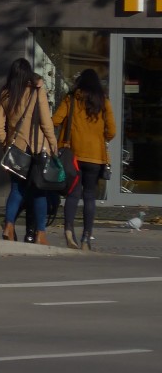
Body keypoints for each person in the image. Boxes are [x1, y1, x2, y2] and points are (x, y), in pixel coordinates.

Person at [0, 57, 58, 245]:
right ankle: (41, 234)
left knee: (16, 190)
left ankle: (9, 225)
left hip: (17, 150)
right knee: (39, 192)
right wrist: (53, 145)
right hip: (37, 149)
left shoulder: (5, 94)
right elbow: (46, 122)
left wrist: (7, 144)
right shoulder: (37, 91)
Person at [52, 69, 116, 250]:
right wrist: (99, 137)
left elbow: (56, 120)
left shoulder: (71, 98)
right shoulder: (103, 102)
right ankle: (86, 237)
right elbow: (111, 131)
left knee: (73, 194)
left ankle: (68, 230)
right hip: (95, 156)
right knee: (89, 197)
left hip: (72, 154)